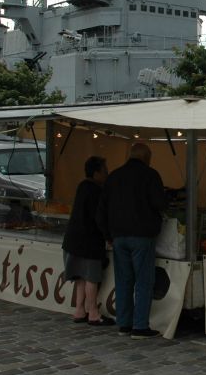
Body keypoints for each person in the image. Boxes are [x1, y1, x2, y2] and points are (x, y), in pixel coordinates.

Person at [96, 142, 166, 339]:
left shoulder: (114, 177)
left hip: (119, 237)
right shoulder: (151, 175)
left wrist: (108, 235)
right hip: (142, 236)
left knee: (123, 280)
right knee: (143, 281)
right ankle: (140, 326)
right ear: (147, 157)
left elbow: (101, 211)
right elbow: (160, 203)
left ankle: (124, 323)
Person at [62, 156, 114, 326]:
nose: (107, 174)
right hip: (88, 242)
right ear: (97, 172)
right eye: (105, 170)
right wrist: (108, 236)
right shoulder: (96, 191)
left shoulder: (82, 187)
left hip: (73, 240)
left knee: (80, 278)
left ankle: (79, 310)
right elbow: (99, 218)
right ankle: (93, 312)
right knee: (91, 277)